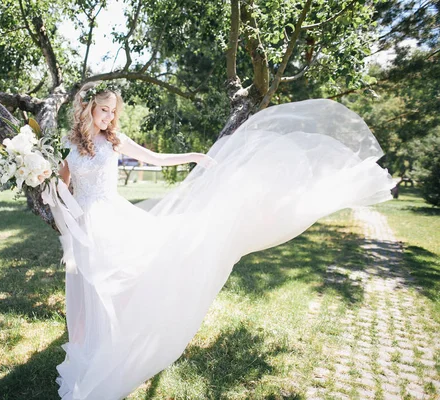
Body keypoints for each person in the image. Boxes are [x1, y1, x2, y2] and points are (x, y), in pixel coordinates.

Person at [54, 81, 394, 400]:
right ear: (88, 109)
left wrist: (192, 157)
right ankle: (86, 349)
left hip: (113, 218)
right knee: (85, 286)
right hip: (84, 223)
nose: (110, 117)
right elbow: (61, 183)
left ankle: (113, 346)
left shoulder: (116, 141)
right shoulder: (71, 144)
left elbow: (155, 159)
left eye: (114, 112)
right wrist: (55, 196)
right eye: (105, 111)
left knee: (122, 277)